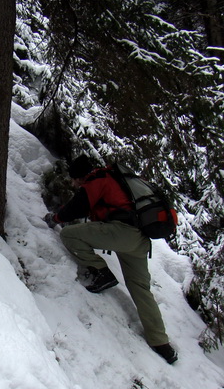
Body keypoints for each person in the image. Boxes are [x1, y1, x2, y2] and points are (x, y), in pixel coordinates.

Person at [44, 155, 178, 364]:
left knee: (68, 234)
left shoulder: (97, 179)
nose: (73, 184)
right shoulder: (116, 179)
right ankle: (161, 342)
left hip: (122, 233)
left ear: (80, 176)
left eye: (74, 179)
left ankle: (102, 272)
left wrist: (55, 218)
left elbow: (77, 207)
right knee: (140, 288)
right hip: (140, 240)